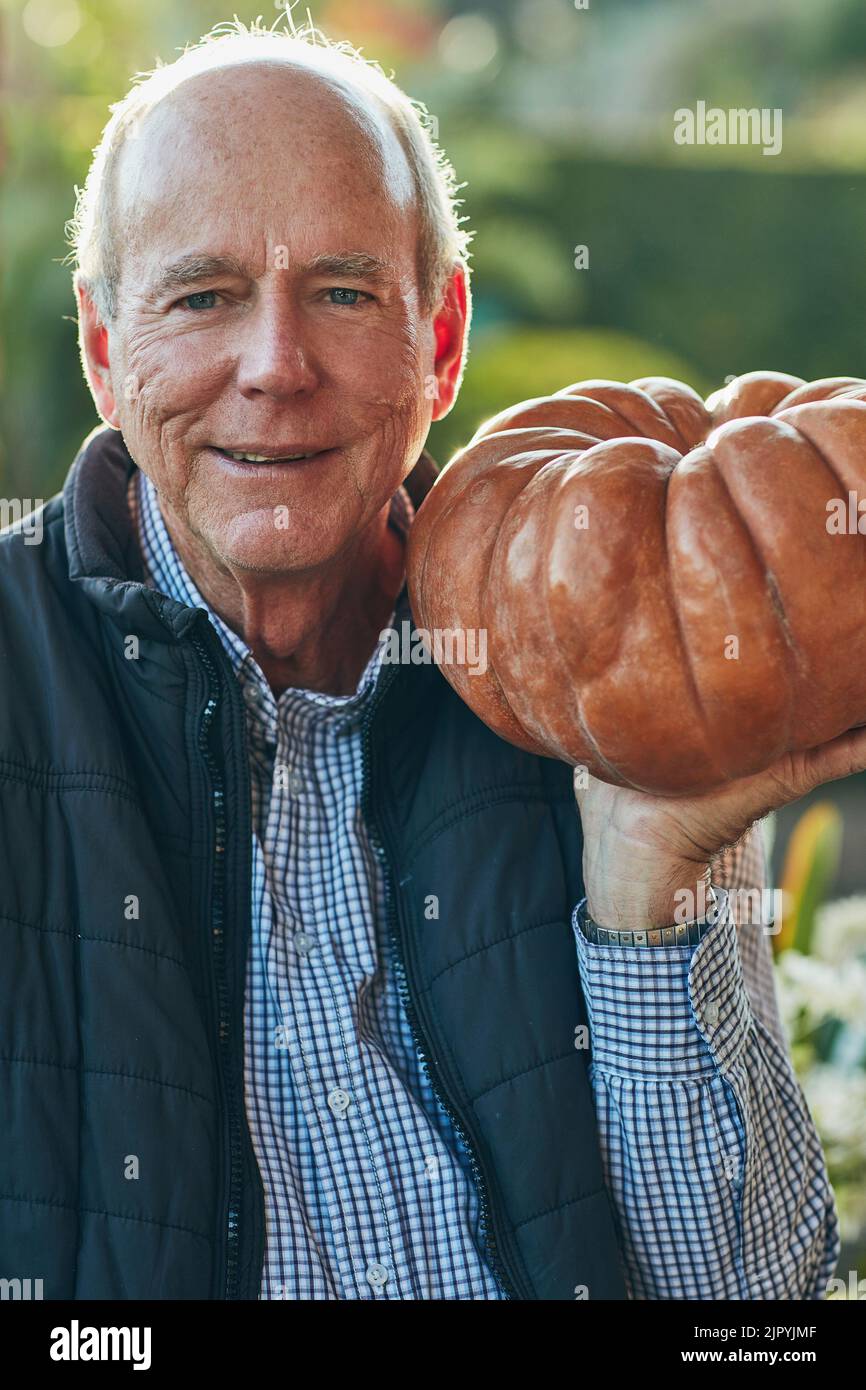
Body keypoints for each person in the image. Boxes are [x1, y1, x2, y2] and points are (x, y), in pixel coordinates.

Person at [2, 18, 864, 1301]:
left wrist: (644, 886)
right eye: (202, 296)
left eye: (344, 292)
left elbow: (745, 1306)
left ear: (442, 341)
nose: (275, 366)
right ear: (106, 350)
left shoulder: (589, 660)